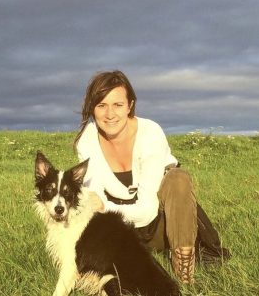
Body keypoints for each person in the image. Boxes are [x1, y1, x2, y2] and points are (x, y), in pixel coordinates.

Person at [73, 70, 198, 284]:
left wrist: (105, 209)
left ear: (130, 105)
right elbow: (94, 200)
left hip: (160, 225)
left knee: (178, 178)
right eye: (101, 105)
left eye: (118, 105)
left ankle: (183, 264)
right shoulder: (86, 141)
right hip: (120, 232)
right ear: (92, 108)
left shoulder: (150, 132)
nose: (109, 114)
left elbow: (147, 211)